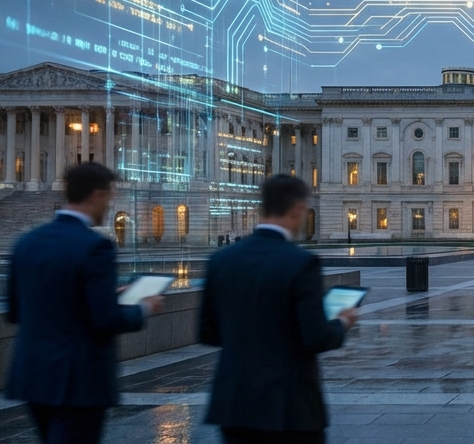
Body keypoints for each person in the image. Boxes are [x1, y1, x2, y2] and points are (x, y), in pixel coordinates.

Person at [5, 162, 164, 444]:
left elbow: (18, 311)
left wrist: (107, 293)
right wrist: (143, 308)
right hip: (77, 380)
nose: (109, 203)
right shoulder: (95, 246)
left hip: (33, 375)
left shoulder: (27, 242)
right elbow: (104, 319)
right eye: (109, 196)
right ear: (96, 195)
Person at [199, 175, 360, 444]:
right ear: (298, 209)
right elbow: (316, 337)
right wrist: (342, 322)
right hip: (289, 409)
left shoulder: (220, 260)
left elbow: (207, 333)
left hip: (235, 406)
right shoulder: (300, 263)